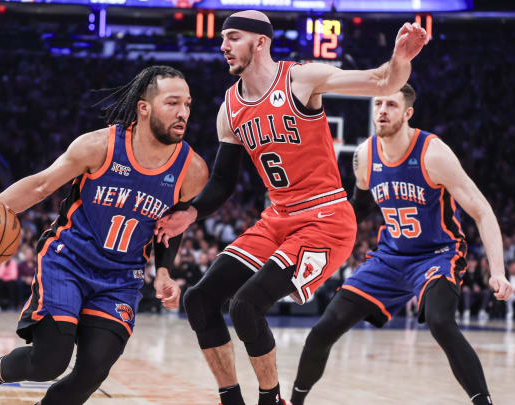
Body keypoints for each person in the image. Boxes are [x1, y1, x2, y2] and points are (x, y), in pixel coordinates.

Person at [154, 10, 429, 405]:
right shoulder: (229, 108)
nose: (223, 45)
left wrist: (401, 56)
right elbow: (223, 181)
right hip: (277, 218)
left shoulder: (301, 78)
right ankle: (230, 397)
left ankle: (272, 399)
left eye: (233, 37)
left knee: (246, 305)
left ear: (260, 41)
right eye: (223, 38)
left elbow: (381, 80)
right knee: (199, 299)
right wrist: (192, 212)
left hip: (327, 218)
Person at [0, 65, 208, 405]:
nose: (183, 112)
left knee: (92, 372)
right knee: (49, 362)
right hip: (67, 261)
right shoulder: (98, 146)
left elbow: (171, 227)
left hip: (121, 277)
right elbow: (40, 185)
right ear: (144, 108)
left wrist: (164, 271)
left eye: (187, 104)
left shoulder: (193, 171)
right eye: (172, 103)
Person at [290, 85, 513, 405]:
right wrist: (316, 245)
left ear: (407, 113)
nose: (382, 110)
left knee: (440, 322)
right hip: (390, 257)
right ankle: (293, 401)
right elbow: (358, 210)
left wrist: (498, 272)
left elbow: (481, 210)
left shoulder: (433, 153)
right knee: (325, 328)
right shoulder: (365, 155)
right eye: (378, 103)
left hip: (438, 253)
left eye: (391, 105)